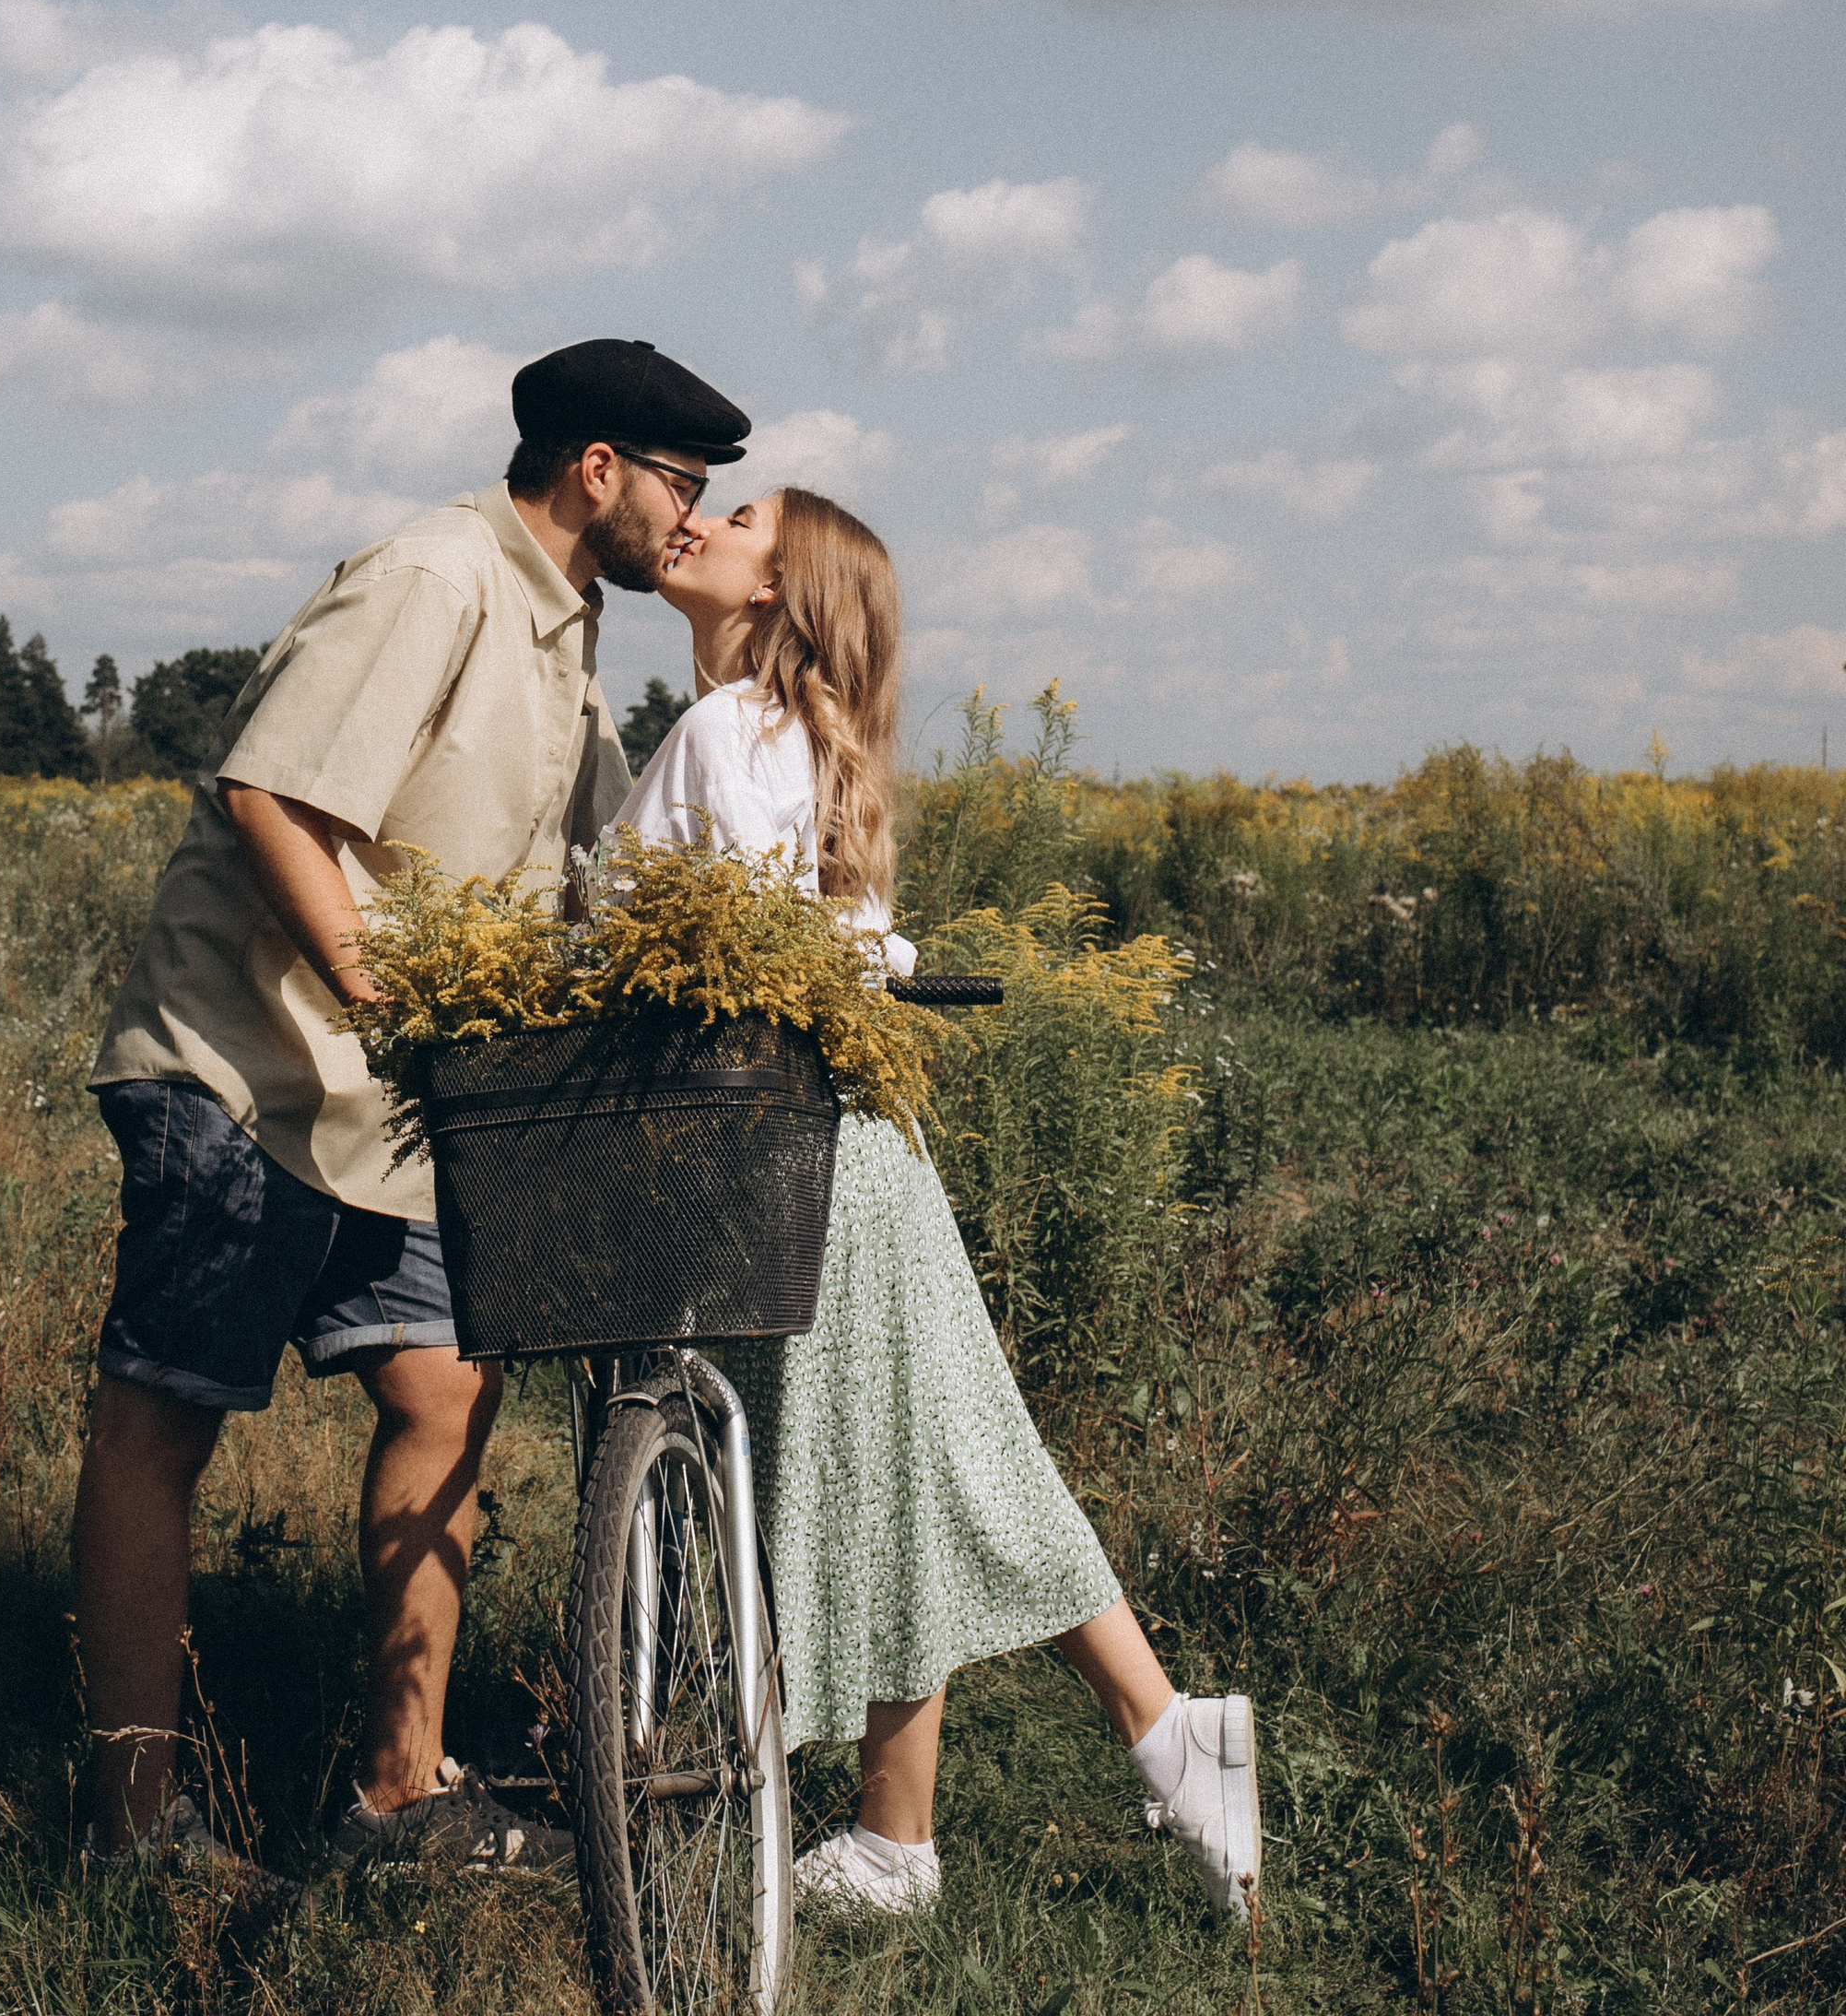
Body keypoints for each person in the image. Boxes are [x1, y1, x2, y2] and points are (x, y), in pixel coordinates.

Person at [73, 336, 751, 1882]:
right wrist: (383, 991)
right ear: (598, 470)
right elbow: (269, 794)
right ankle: (130, 1826)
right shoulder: (437, 578)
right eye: (681, 485)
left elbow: (608, 874)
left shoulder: (568, 630)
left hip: (398, 1105)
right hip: (247, 1071)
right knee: (164, 1419)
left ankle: (398, 1797)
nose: (691, 516)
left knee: (446, 1392)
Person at [615, 484, 1261, 1924]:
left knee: (907, 1467)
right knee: (931, 1462)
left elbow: (686, 942)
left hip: (789, 1153)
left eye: (735, 518)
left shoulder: (724, 732)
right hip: (859, 1143)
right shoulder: (795, 738)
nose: (696, 519)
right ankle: (1028, 1787)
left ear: (777, 587)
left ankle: (1009, 1794)